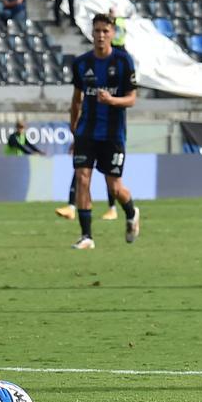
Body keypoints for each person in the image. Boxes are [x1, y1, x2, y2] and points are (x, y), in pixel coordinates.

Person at [69, 13, 140, 249]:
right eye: (97, 31)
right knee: (82, 178)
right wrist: (74, 130)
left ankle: (131, 213)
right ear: (92, 33)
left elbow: (132, 99)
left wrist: (112, 100)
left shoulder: (123, 62)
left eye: (105, 31)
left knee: (114, 187)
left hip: (112, 134)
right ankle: (86, 236)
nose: (101, 35)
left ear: (112, 33)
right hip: (86, 133)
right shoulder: (81, 64)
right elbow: (76, 100)